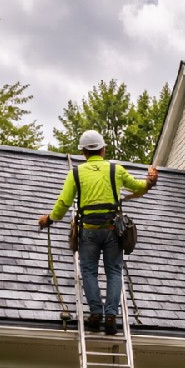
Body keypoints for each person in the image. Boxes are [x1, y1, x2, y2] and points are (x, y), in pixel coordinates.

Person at [38, 130, 158, 335]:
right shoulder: (116, 170)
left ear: (84, 152)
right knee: (113, 271)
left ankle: (96, 313)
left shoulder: (75, 173)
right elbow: (138, 186)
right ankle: (111, 315)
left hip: (89, 232)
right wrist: (150, 180)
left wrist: (49, 219)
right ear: (103, 150)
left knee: (89, 271)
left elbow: (64, 203)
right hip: (113, 230)